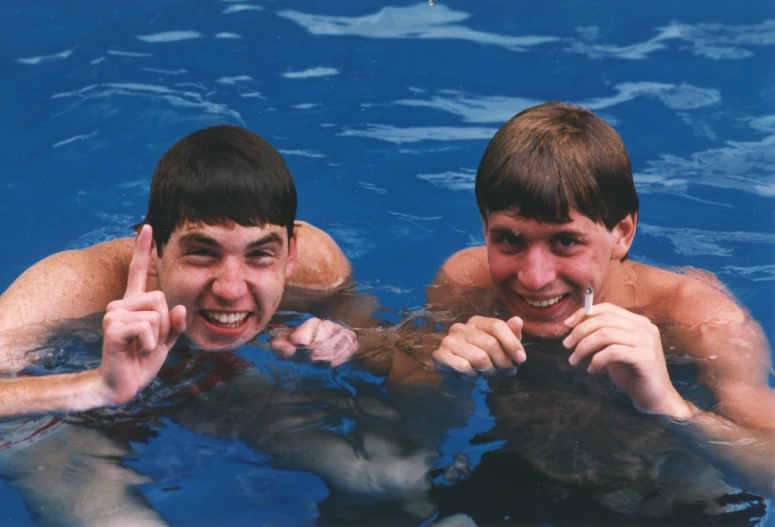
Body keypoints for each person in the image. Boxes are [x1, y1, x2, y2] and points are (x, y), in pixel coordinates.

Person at [427, 102, 775, 509]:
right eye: (510, 240)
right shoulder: (467, 287)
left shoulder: (699, 323)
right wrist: (449, 382)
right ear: (485, 227)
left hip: (661, 498)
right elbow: (409, 423)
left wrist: (671, 407)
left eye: (566, 241)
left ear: (622, 233)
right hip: (524, 472)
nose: (534, 277)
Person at [0, 123, 358, 417]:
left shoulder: (319, 268)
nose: (231, 289)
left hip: (212, 390)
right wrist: (95, 387)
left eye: (259, 255)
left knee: (389, 470)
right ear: (153, 248)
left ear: (290, 253)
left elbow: (391, 349)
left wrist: (344, 341)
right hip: (77, 423)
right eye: (202, 253)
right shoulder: (74, 285)